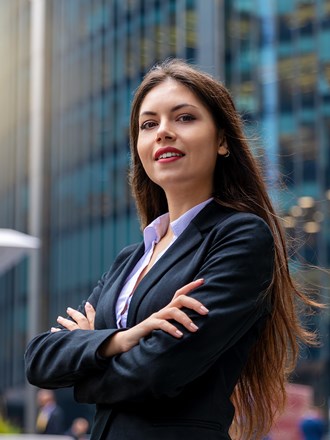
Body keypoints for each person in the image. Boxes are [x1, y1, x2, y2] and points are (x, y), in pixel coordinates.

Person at [25, 59, 320, 440]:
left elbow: (160, 372)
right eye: (149, 124)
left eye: (184, 118)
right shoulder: (129, 260)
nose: (163, 132)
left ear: (222, 140)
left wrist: (86, 370)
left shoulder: (240, 238)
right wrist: (124, 338)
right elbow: (40, 359)